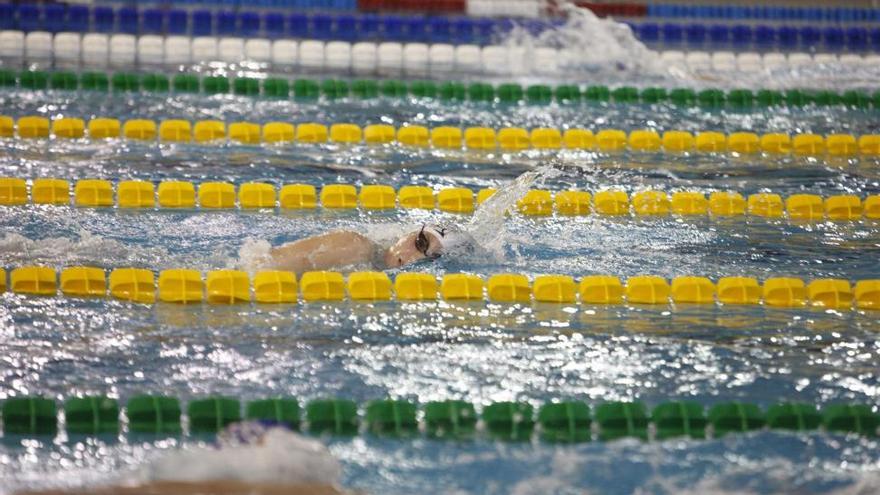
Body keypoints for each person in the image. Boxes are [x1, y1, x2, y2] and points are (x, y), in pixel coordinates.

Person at [262, 224, 462, 274]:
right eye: (420, 242)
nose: (410, 259)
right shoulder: (353, 245)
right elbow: (261, 267)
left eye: (429, 259)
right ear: (408, 233)